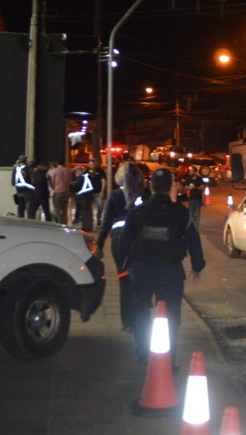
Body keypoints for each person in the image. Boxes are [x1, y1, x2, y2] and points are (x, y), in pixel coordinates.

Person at [120, 168, 204, 367]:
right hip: (171, 273)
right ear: (170, 187)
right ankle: (168, 359)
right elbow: (193, 241)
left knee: (141, 312)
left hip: (142, 271)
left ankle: (143, 353)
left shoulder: (137, 212)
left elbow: (124, 242)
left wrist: (126, 265)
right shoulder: (181, 214)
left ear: (152, 187)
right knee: (171, 318)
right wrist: (197, 266)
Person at [97, 162, 148, 331]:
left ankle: (127, 323)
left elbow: (106, 222)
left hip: (119, 242)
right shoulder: (146, 194)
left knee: (125, 282)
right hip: (141, 241)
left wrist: (100, 243)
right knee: (141, 281)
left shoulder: (115, 195)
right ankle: (141, 319)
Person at [73, 157, 106, 231]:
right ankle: (89, 224)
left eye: (93, 164)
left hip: (97, 192)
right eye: (91, 164)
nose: (92, 166)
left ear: (96, 164)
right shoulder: (87, 171)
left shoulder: (100, 171)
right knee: (88, 209)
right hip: (89, 194)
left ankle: (98, 218)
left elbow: (103, 181)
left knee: (100, 206)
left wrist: (102, 191)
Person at [48, 159, 71, 224]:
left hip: (58, 193)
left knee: (57, 210)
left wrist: (54, 188)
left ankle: (59, 224)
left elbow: (51, 182)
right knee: (64, 210)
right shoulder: (68, 171)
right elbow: (69, 181)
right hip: (66, 193)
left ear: (58, 164)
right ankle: (65, 223)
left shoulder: (54, 171)